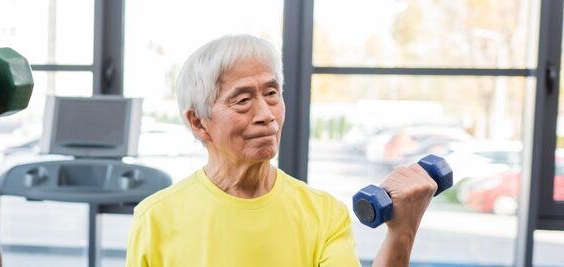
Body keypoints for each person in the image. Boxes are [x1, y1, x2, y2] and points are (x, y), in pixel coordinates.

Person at [125, 34, 438, 266]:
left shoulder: (325, 214)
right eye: (243, 99)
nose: (266, 114)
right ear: (198, 122)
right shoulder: (155, 218)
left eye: (271, 93)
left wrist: (402, 232)